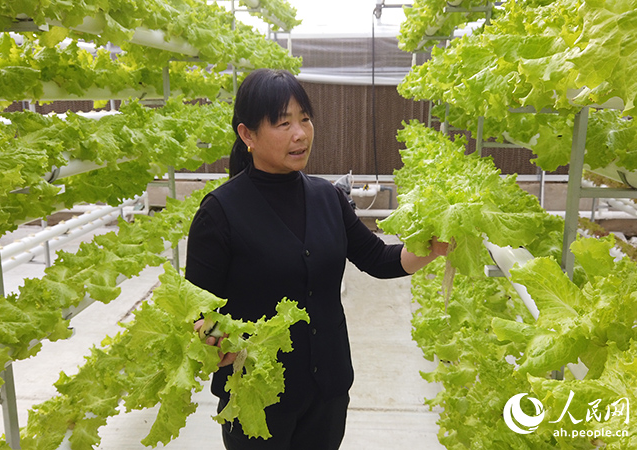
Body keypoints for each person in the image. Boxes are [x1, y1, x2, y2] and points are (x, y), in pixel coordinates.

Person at [185, 68, 447, 450]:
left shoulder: (328, 198)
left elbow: (378, 258)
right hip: (257, 399)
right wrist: (212, 341)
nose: (300, 134)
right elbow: (197, 310)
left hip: (328, 390)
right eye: (283, 123)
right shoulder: (220, 212)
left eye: (305, 119)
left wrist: (429, 249)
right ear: (247, 135)